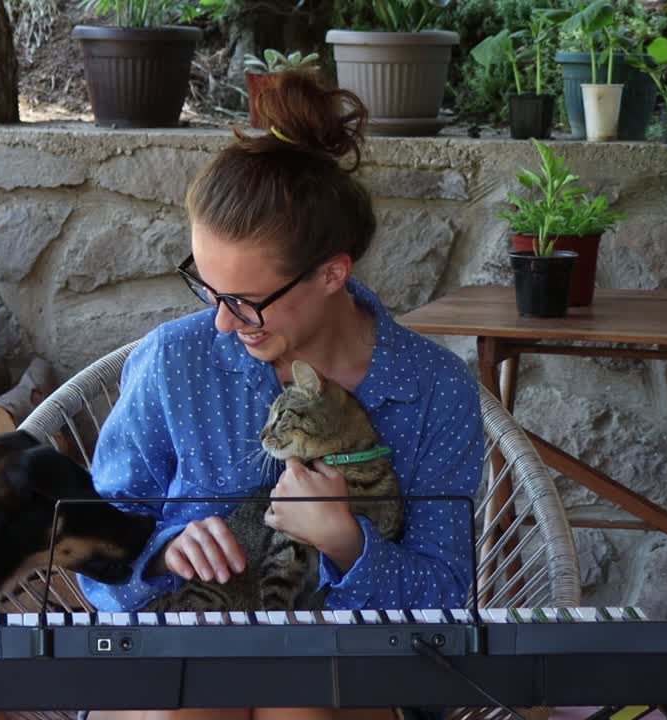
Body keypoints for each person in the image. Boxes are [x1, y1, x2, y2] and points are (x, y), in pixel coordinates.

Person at [79, 71, 484, 720]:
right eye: (207, 290)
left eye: (245, 302)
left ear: (332, 273)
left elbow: (445, 602)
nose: (220, 322)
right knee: (189, 700)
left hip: (358, 669)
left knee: (301, 699)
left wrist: (349, 543)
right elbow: (92, 543)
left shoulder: (432, 390)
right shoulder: (174, 360)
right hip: (176, 653)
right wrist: (160, 552)